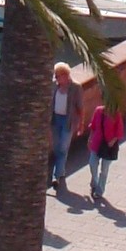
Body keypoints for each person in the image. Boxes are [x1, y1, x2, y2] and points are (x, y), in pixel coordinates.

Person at [85, 97, 125, 204]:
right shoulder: (98, 111)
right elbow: (93, 126)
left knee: (104, 169)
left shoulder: (116, 114)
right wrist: (90, 138)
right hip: (97, 143)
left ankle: (100, 190)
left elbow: (119, 130)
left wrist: (113, 140)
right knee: (92, 163)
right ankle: (95, 182)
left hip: (108, 146)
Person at [49, 62, 76, 192]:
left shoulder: (75, 88)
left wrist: (81, 124)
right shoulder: (54, 87)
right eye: (55, 76)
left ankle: (56, 176)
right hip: (55, 120)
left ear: (65, 75)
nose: (56, 78)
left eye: (58, 76)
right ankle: (61, 170)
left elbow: (80, 107)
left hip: (67, 121)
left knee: (62, 149)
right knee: (56, 148)